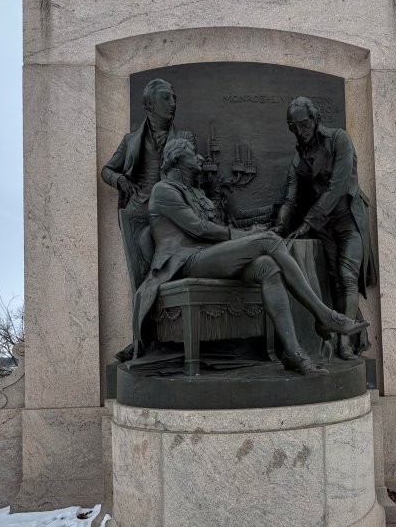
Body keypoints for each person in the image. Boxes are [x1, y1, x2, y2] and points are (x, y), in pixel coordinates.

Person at [132, 138, 369, 375]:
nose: (201, 157)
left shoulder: (195, 191)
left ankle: (293, 352)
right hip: (186, 262)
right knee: (268, 241)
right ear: (177, 159)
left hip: (210, 257)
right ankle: (324, 315)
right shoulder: (163, 190)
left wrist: (248, 233)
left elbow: (216, 228)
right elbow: (199, 228)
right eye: (194, 153)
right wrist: (245, 235)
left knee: (267, 266)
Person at [276, 97, 377, 359]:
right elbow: (291, 198)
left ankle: (345, 344)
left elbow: (339, 186)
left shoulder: (339, 140)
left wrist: (308, 222)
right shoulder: (298, 160)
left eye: (304, 123)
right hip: (325, 227)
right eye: (294, 126)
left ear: (314, 119)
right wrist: (279, 227)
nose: (301, 130)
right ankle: (343, 338)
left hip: (348, 219)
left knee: (347, 276)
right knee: (333, 281)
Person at [101, 78, 195, 360]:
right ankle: (140, 342)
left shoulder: (186, 138)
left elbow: (193, 174)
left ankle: (174, 338)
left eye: (174, 98)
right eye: (166, 98)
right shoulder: (131, 140)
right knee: (140, 279)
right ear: (149, 104)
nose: (173, 103)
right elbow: (107, 170)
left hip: (172, 214)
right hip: (139, 213)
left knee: (171, 273)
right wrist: (120, 180)